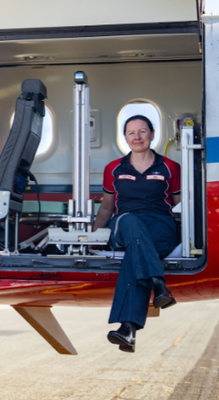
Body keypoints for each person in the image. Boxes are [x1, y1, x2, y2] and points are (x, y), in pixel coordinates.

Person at [93, 115, 180, 353]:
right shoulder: (114, 168)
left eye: (142, 131)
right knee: (132, 222)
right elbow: (107, 208)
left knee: (137, 254)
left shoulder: (170, 167)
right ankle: (158, 283)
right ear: (125, 137)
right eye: (131, 133)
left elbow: (180, 206)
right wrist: (91, 239)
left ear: (152, 134)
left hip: (160, 225)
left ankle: (128, 329)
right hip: (125, 223)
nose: (137, 137)